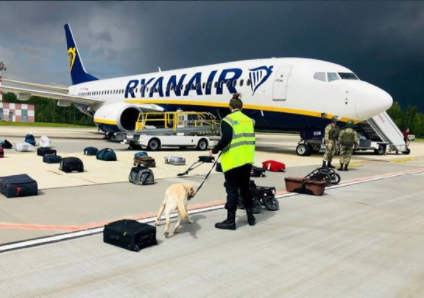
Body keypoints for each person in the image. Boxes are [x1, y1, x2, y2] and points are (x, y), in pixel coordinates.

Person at [209, 93, 256, 230]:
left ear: (230, 107)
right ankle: (250, 217)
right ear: (241, 107)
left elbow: (227, 138)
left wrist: (216, 149)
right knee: (245, 189)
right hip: (247, 160)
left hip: (233, 161)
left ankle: (231, 221)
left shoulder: (227, 120)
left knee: (232, 191)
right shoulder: (249, 120)